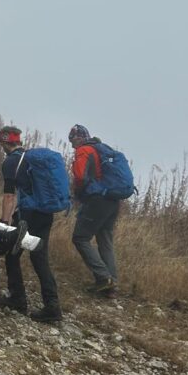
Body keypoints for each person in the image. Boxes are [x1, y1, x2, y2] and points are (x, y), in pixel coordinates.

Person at [0, 126, 63, 323]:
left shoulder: (11, 162)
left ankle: (17, 299)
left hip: (27, 215)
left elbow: (9, 195)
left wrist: (4, 223)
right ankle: (52, 307)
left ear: (4, 142)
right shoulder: (31, 159)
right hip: (45, 213)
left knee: (12, 254)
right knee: (39, 258)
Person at [68, 124, 119, 294]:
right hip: (112, 199)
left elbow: (81, 176)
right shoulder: (100, 149)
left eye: (72, 138)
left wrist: (78, 194)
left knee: (80, 238)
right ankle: (111, 285)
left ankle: (103, 277)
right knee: (105, 240)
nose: (71, 143)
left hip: (97, 200)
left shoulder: (84, 151)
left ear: (79, 137)